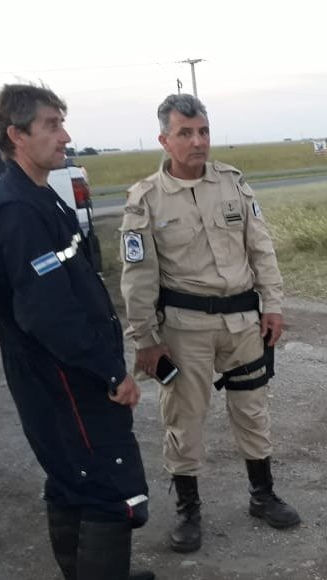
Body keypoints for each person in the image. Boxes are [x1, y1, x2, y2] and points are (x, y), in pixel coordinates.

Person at [0, 84, 152, 580]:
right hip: (65, 380)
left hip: (62, 378)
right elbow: (51, 317)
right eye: (51, 124)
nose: (65, 136)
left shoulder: (38, 196)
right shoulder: (17, 212)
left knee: (73, 480)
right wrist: (112, 373)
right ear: (17, 135)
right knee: (111, 490)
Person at [120, 93, 300, 554]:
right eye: (185, 133)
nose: (198, 141)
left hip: (243, 323)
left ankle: (263, 495)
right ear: (165, 139)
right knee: (185, 420)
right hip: (186, 329)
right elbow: (138, 279)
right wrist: (145, 340)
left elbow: (261, 249)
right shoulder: (146, 200)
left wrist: (273, 306)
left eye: (203, 131)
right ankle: (188, 510)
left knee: (253, 411)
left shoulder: (233, 184)